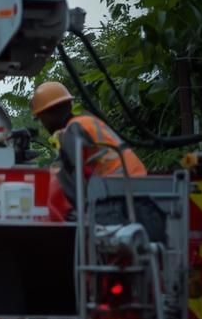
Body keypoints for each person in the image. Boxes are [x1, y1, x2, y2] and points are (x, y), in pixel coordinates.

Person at [31, 80, 146, 217]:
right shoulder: (87, 122)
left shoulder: (73, 130)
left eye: (41, 119)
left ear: (47, 115)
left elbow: (72, 172)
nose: (44, 124)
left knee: (60, 174)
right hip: (137, 181)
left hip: (118, 188)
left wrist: (78, 211)